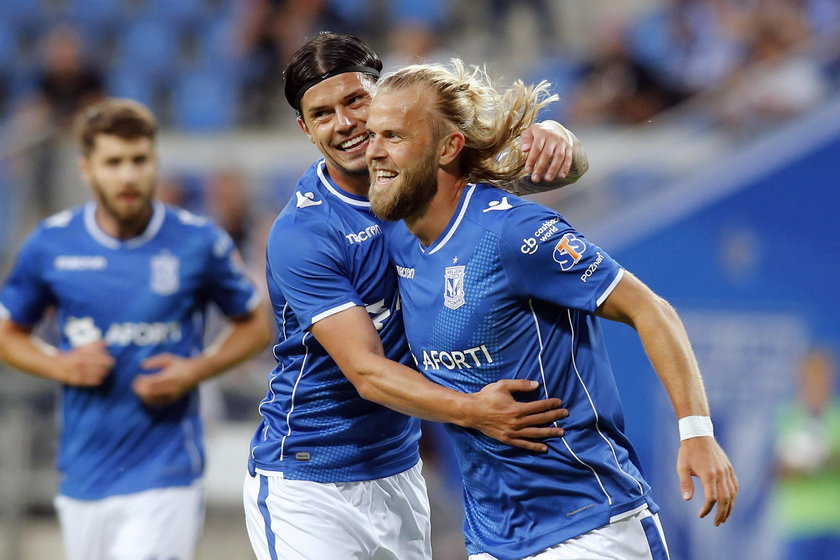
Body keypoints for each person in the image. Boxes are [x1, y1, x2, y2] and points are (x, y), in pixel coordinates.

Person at [364, 60, 739, 560]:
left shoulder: (512, 234)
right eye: (372, 134)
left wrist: (696, 434)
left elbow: (653, 310)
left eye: (393, 135)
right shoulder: (393, 227)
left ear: (448, 147)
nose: (373, 151)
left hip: (589, 526)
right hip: (494, 538)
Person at [243, 32, 587, 560]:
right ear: (306, 129)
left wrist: (557, 136)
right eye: (323, 113)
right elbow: (366, 371)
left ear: (382, 96)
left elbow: (564, 169)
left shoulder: (433, 176)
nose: (346, 124)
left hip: (399, 471)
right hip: (308, 482)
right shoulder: (305, 233)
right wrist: (474, 412)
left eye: (356, 100)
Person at [0, 98, 273, 560]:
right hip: (83, 473)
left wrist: (194, 370)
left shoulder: (197, 241)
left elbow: (257, 325)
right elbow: (8, 334)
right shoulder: (52, 243)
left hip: (167, 471)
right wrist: (61, 365)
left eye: (138, 160)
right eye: (113, 163)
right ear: (87, 170)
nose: (127, 175)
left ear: (155, 163)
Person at [773, 347, 840, 560]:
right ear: (800, 377)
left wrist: (822, 459)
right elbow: (778, 469)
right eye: (811, 373)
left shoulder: (836, 417)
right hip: (800, 523)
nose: (817, 380)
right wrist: (804, 464)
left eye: (822, 373)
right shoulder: (787, 416)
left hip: (835, 521)